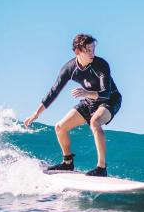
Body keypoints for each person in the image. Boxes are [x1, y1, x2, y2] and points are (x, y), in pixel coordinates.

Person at [24, 34, 122, 177]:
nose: (92, 53)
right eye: (88, 50)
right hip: (89, 101)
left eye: (93, 49)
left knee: (95, 122)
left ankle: (101, 168)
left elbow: (105, 94)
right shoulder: (70, 68)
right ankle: (67, 162)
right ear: (77, 52)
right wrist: (36, 113)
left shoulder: (101, 65)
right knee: (60, 127)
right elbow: (54, 91)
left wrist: (86, 93)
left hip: (110, 100)